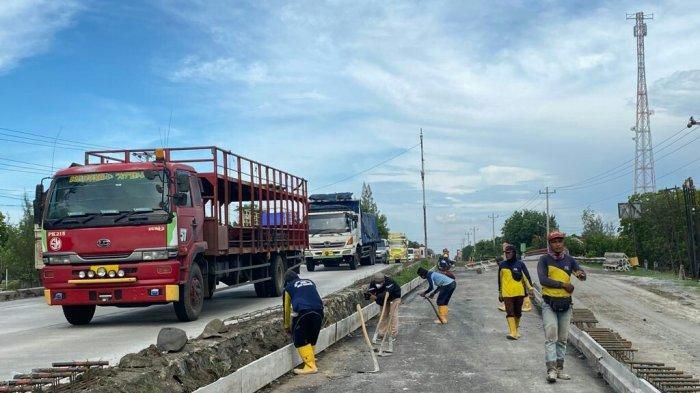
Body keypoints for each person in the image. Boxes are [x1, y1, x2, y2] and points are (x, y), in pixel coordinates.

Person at [537, 231, 587, 383]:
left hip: (565, 304)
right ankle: (551, 369)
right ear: (550, 244)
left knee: (563, 338)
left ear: (563, 243)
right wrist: (563, 284)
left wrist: (581, 274)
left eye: (560, 241)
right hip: (549, 303)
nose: (558, 244)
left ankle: (560, 369)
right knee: (551, 336)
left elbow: (580, 273)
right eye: (554, 241)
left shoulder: (570, 260)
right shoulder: (544, 260)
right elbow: (543, 280)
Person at [283, 270, 324, 375]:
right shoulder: (310, 282)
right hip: (319, 311)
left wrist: (287, 326)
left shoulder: (288, 288)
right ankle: (311, 358)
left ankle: (310, 366)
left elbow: (286, 309)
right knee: (311, 336)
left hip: (304, 312)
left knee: (299, 338)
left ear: (287, 281)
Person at [498, 244, 534, 340]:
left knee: (518, 313)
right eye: (506, 253)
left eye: (509, 253)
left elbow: (527, 277)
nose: (507, 255)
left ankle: (516, 331)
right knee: (510, 312)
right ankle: (512, 332)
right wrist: (500, 292)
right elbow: (500, 280)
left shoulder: (520, 264)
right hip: (507, 293)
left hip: (519, 293)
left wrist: (530, 289)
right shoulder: (502, 265)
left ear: (514, 253)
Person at [367, 272, 402, 343]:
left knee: (393, 315)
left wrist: (376, 297)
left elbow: (386, 294)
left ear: (383, 281)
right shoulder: (373, 283)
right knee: (383, 315)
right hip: (383, 300)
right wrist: (370, 296)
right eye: (377, 282)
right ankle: (381, 334)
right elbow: (369, 293)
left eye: (380, 283)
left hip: (394, 298)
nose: (378, 284)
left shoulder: (389, 282)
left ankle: (393, 334)